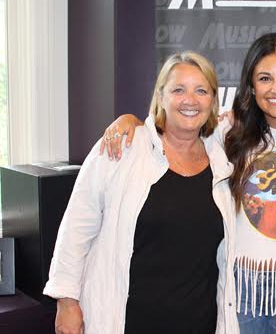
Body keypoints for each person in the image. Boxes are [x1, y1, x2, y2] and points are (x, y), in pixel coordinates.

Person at [99, 33, 276, 333]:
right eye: (265, 78)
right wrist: (131, 122)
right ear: (251, 88)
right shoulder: (229, 132)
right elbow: (172, 132)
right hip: (240, 291)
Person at [43, 51, 238, 333]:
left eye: (201, 91)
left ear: (213, 100)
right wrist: (66, 301)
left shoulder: (221, 157)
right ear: (161, 96)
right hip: (128, 320)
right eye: (178, 90)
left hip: (199, 322)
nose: (190, 100)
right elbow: (76, 226)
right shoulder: (122, 147)